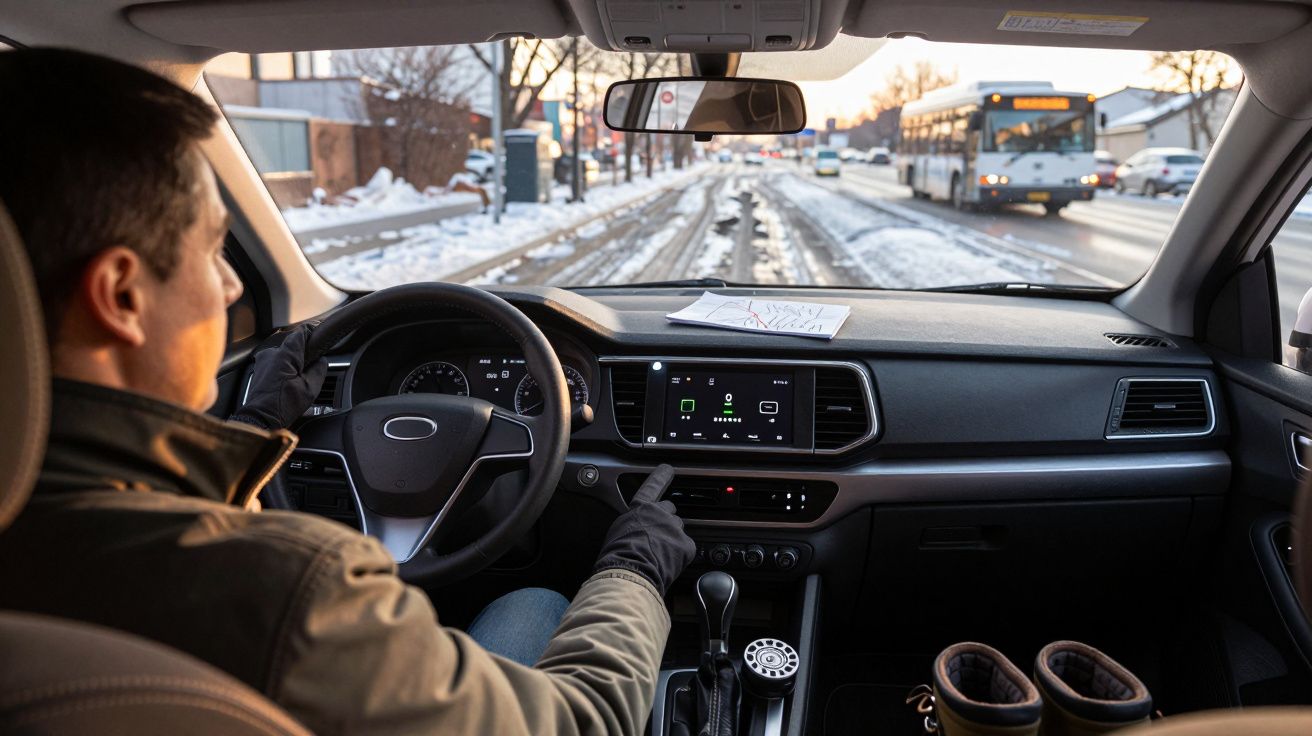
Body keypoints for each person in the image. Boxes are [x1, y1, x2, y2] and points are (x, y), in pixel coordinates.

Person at [0, 47, 696, 735]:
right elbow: (582, 721)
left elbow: (129, 539)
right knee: (540, 602)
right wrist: (632, 572)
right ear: (120, 295)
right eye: (215, 251)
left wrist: (257, 426)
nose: (235, 284)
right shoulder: (295, 596)